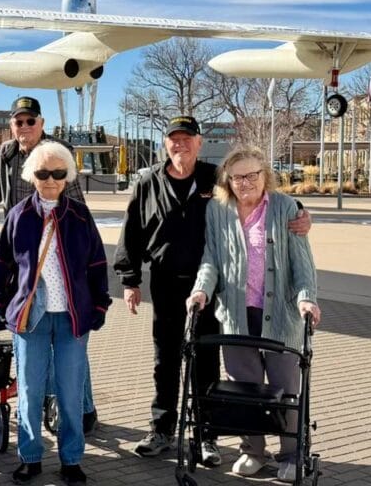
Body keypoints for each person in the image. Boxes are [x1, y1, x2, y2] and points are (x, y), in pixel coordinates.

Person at [113, 115, 311, 464]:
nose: (180, 145)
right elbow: (132, 232)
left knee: (206, 362)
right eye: (174, 139)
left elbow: (261, 195)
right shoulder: (148, 182)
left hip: (215, 288)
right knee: (166, 359)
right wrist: (130, 280)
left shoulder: (213, 178)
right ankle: (161, 429)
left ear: (199, 143)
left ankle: (206, 436)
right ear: (165, 144)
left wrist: (302, 213)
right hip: (167, 282)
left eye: (187, 139)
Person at [0, 96, 97, 433]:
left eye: (30, 121)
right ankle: (33, 406)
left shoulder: (57, 154)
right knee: (29, 330)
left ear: (42, 123)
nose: (24, 127)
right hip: (21, 257)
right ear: (12, 125)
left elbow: (77, 203)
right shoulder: (5, 155)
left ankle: (83, 407)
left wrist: (83, 257)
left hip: (57, 253)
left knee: (70, 337)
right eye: (18, 121)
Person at [187, 146, 321, 482]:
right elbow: (211, 258)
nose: (245, 182)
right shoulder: (217, 210)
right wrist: (202, 289)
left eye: (252, 175)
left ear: (265, 176)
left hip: (280, 313)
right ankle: (253, 451)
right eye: (237, 177)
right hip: (235, 313)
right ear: (227, 181)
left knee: (285, 387)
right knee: (243, 388)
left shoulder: (285, 207)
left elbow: (302, 262)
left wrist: (307, 298)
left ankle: (292, 454)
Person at [0, 141, 110, 485]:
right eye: (43, 173)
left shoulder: (80, 215)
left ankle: (71, 458)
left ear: (68, 175)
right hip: (31, 318)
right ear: (32, 176)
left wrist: (100, 305)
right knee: (29, 389)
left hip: (72, 317)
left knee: (71, 391)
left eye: (59, 173)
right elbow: (1, 264)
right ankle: (30, 457)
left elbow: (98, 264)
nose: (51, 180)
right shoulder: (19, 216)